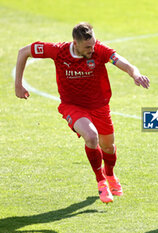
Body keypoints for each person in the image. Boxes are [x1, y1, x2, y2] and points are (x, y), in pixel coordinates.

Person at [15, 22, 150, 204]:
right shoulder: (58, 51)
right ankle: (101, 181)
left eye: (93, 44)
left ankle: (110, 175)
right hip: (73, 106)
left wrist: (135, 74)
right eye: (87, 47)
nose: (92, 49)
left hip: (100, 106)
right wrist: (18, 84)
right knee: (91, 137)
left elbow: (123, 62)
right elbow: (24, 51)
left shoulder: (99, 50)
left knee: (108, 147)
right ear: (75, 43)